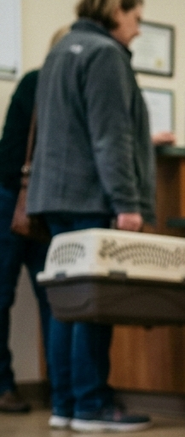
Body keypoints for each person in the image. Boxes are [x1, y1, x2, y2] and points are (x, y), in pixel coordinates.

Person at [26, 0, 157, 433]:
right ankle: (91, 404)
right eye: (136, 19)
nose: (138, 30)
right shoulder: (104, 54)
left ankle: (64, 402)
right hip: (89, 199)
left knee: (66, 303)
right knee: (94, 304)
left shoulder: (61, 51)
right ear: (116, 10)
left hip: (55, 198)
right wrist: (127, 202)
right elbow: (110, 136)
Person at [0, 28, 71, 414]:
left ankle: (63, 393)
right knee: (3, 297)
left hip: (42, 203)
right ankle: (4, 385)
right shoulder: (36, 83)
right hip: (13, 198)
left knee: (55, 299)